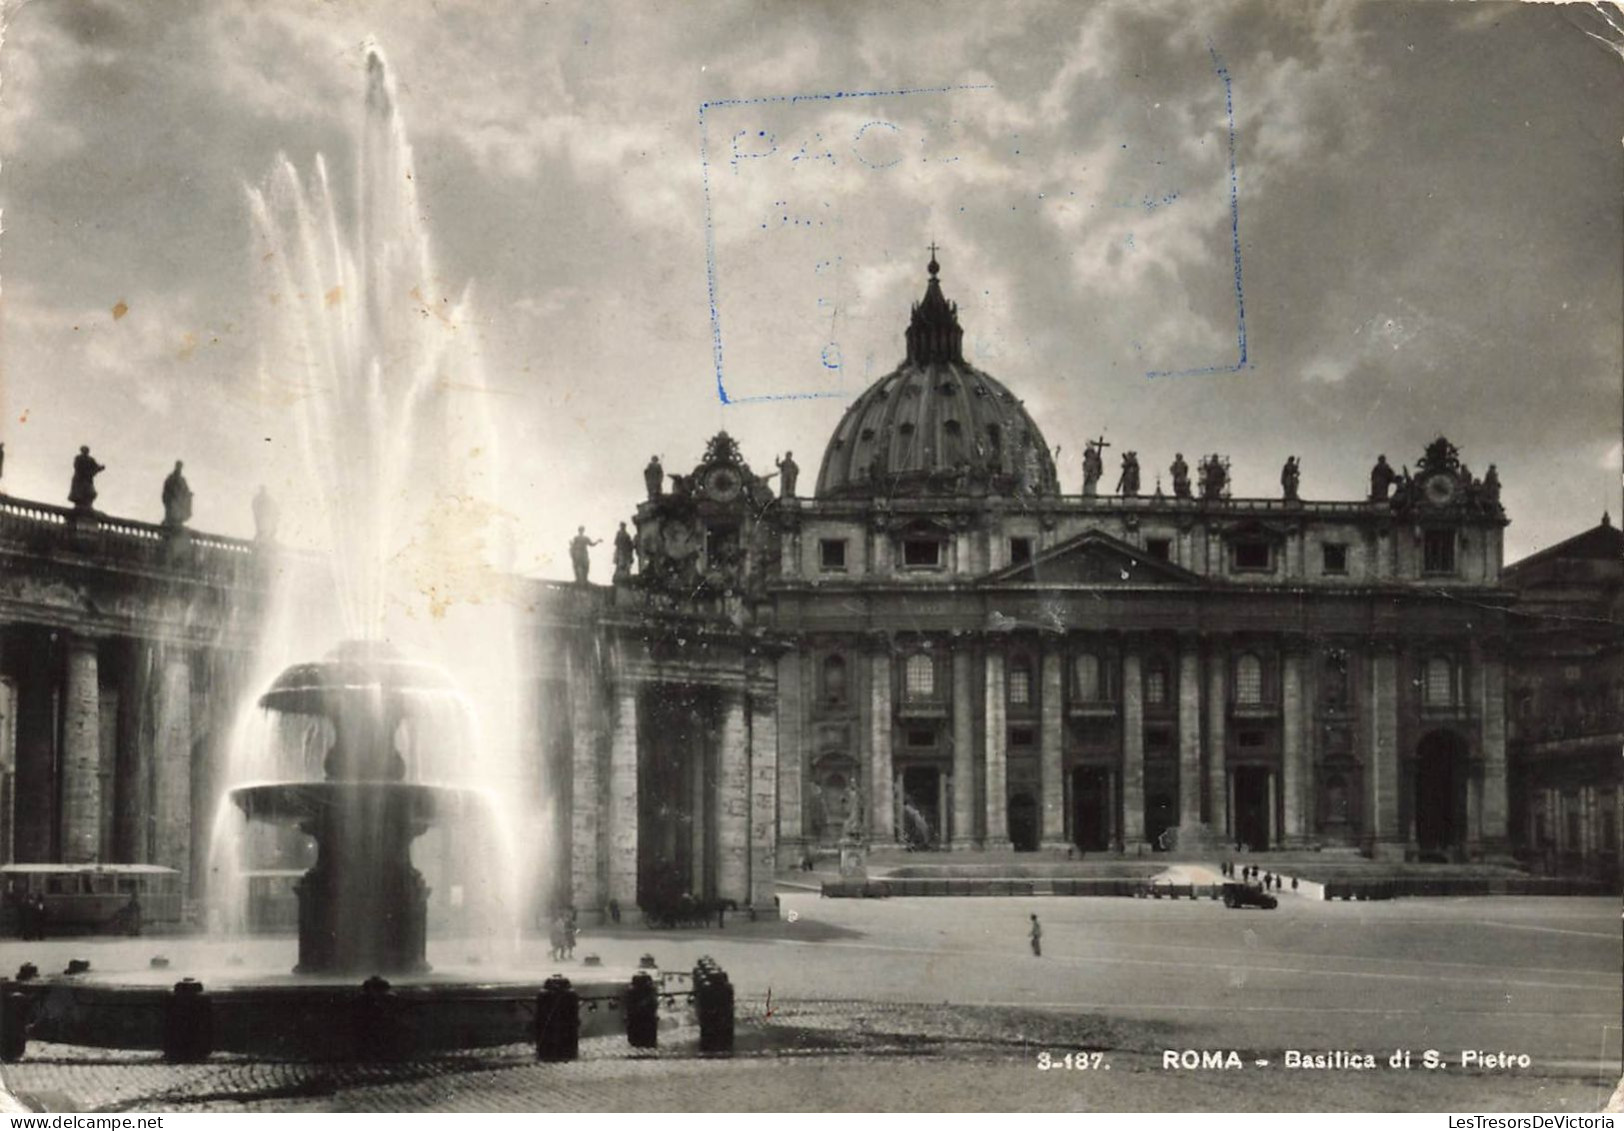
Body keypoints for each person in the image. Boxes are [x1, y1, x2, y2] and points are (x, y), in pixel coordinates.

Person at [69, 445, 105, 510]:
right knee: (81, 493)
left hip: (87, 479)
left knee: (90, 493)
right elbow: (77, 467)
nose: (85, 451)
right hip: (80, 479)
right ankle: (82, 506)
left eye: (87, 450)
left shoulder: (91, 459)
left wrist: (100, 468)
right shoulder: (78, 458)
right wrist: (87, 472)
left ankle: (87, 506)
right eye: (84, 450)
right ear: (82, 451)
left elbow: (96, 467)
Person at [161, 460, 193, 527]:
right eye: (178, 467)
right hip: (172, 500)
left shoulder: (182, 479)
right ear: (176, 467)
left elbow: (185, 490)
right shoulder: (171, 478)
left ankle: (178, 520)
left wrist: (189, 494)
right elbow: (166, 490)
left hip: (180, 500)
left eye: (181, 467)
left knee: (183, 503)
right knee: (173, 507)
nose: (179, 469)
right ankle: (172, 520)